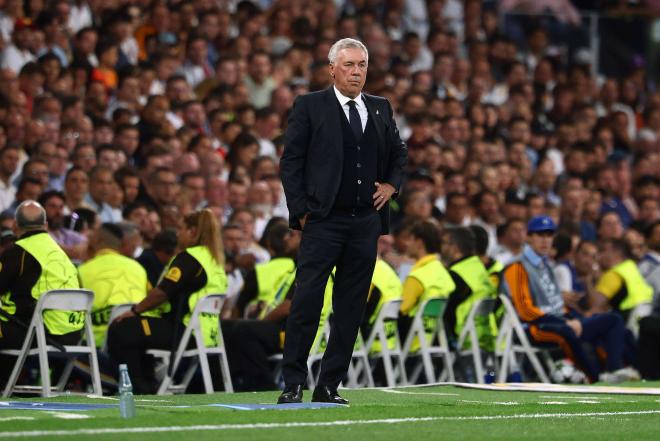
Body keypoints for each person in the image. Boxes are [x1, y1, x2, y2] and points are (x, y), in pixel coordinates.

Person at [278, 38, 407, 405]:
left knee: (350, 307)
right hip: (324, 221)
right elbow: (292, 161)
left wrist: (392, 185)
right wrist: (301, 210)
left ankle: (329, 385)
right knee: (306, 302)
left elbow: (399, 153)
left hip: (365, 223)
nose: (356, 72)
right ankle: (293, 383)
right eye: (349, 65)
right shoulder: (310, 105)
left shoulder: (381, 108)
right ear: (332, 68)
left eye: (362, 65)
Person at [501, 215, 638, 383]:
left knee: (612, 320)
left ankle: (613, 369)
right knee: (567, 332)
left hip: (557, 320)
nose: (545, 240)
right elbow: (525, 310)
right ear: (529, 237)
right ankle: (594, 378)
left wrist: (574, 317)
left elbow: (556, 302)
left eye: (549, 235)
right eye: (540, 235)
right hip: (532, 327)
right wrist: (564, 323)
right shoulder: (517, 266)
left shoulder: (545, 264)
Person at [107, 209, 227, 394]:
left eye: (181, 229)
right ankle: (149, 383)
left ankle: (137, 389)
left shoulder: (189, 258)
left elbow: (161, 293)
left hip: (183, 332)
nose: (178, 234)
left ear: (193, 232)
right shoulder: (214, 260)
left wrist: (136, 311)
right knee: (138, 330)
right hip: (207, 334)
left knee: (122, 327)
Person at [0, 200, 82, 388]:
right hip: (73, 333)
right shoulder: (61, 254)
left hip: (38, 333)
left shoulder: (18, 252)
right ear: (45, 226)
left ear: (14, 226)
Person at [78, 223, 150, 347]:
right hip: (140, 336)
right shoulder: (139, 268)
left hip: (97, 343)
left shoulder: (82, 270)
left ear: (98, 240)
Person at [398, 220, 455, 358]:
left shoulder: (417, 276)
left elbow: (399, 309)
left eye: (409, 239)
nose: (407, 244)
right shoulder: (442, 271)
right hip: (436, 338)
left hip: (412, 338)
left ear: (419, 243)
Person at [441, 227, 497, 351]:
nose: (441, 248)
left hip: (464, 336)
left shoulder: (456, 275)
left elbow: (445, 311)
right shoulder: (478, 267)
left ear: (454, 247)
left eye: (444, 243)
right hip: (485, 333)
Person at [589, 238, 653, 321]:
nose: (598, 256)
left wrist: (588, 279)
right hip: (643, 319)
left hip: (627, 322)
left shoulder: (614, 274)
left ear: (616, 252)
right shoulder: (631, 267)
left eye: (602, 251)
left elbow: (594, 306)